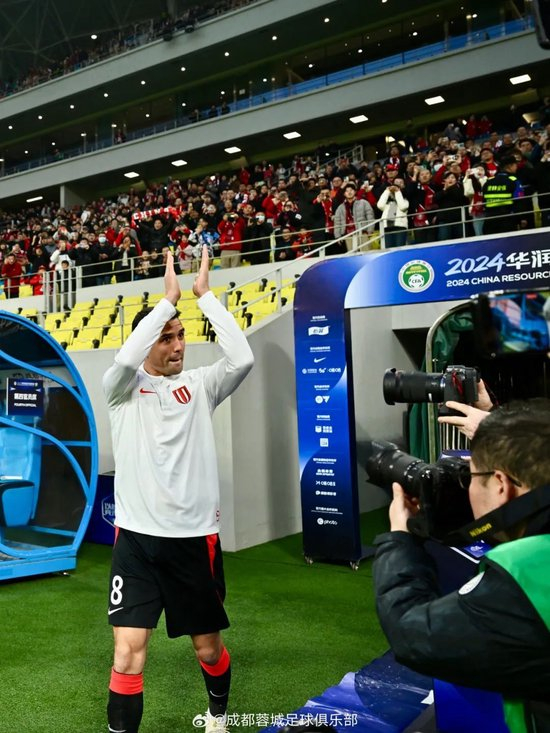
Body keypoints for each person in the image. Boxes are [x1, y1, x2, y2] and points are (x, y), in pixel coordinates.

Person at [102, 247, 254, 733]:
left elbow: (243, 358)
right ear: (147, 342)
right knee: (127, 655)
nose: (178, 345)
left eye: (181, 335)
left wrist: (204, 297)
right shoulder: (120, 390)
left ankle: (217, 716)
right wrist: (167, 302)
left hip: (193, 542)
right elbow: (126, 359)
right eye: (166, 337)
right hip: (136, 543)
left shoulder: (203, 385)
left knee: (207, 649)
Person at [373, 401, 550, 733]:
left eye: (472, 475)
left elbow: (412, 633)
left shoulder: (526, 574)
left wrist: (400, 537)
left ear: (501, 484)